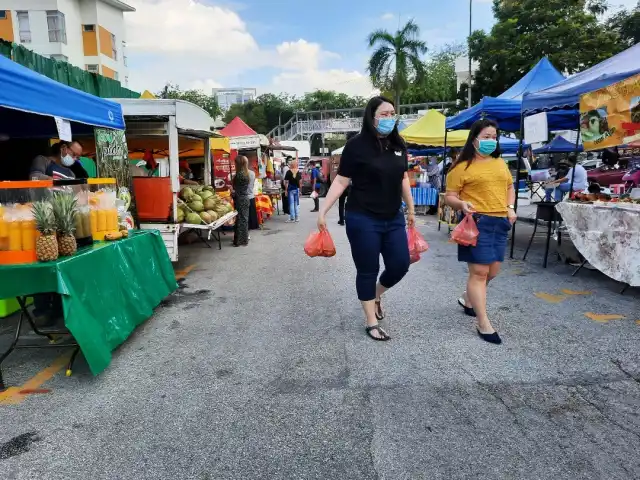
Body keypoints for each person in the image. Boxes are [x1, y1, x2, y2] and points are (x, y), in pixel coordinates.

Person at [317, 96, 415, 342]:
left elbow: (403, 178)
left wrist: (411, 209)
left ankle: (376, 294)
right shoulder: (356, 146)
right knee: (367, 269)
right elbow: (341, 180)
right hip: (362, 217)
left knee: (400, 264)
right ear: (372, 117)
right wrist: (323, 211)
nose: (390, 118)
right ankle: (371, 320)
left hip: (393, 217)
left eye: (393, 113)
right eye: (384, 114)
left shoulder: (399, 144)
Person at [445, 119, 517, 345]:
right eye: (486, 137)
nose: (491, 141)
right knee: (479, 273)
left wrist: (510, 208)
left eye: (494, 137)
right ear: (474, 139)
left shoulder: (500, 163)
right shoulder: (461, 167)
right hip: (477, 222)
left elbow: (509, 187)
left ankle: (468, 299)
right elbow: (450, 196)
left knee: (493, 271)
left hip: (500, 222)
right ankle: (483, 323)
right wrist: (461, 204)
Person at [231, 156, 251, 247]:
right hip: (244, 198)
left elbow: (237, 191)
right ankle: (243, 240)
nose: (234, 164)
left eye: (235, 163)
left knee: (240, 220)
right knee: (243, 219)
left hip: (240, 199)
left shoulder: (239, 175)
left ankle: (239, 241)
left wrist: (232, 190)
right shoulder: (245, 173)